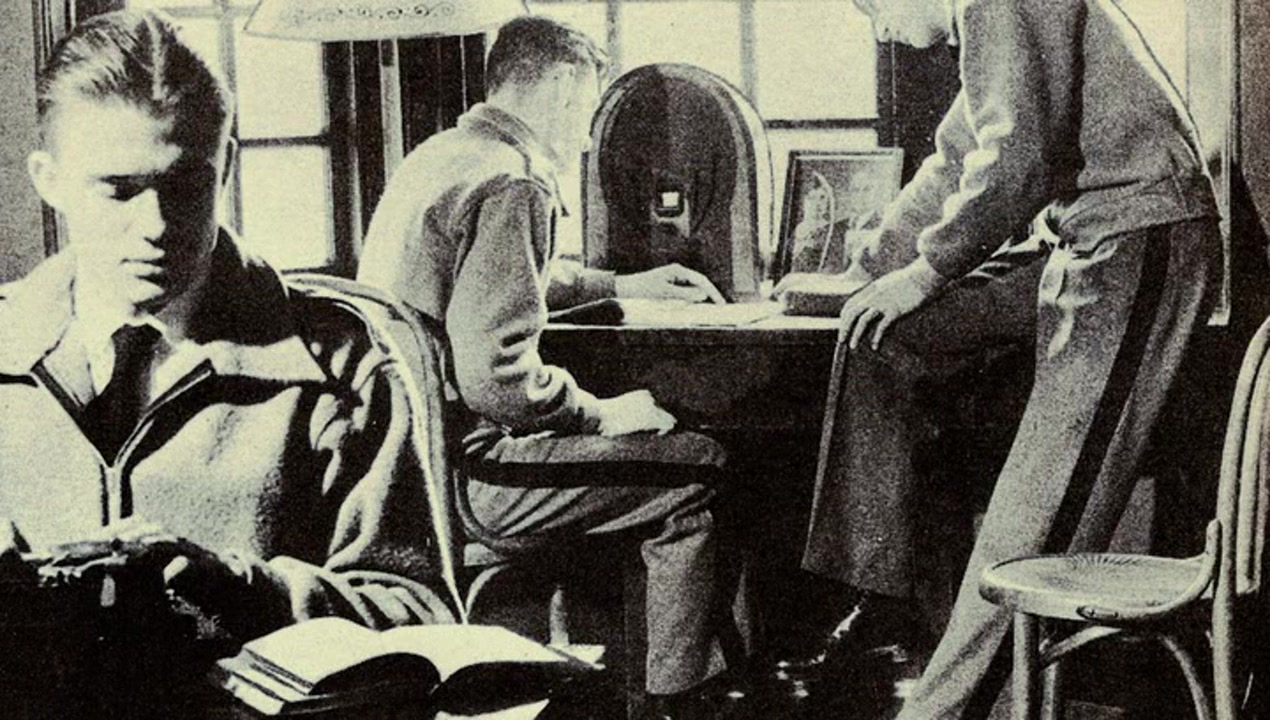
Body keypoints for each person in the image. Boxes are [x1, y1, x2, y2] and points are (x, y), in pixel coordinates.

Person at [0, 9, 451, 709]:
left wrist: (239, 587)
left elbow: (420, 621)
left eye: (186, 186)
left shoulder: (338, 367)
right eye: (118, 190)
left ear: (227, 168)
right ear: (48, 180)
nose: (154, 227)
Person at [822, 0, 1221, 716]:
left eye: (872, 7)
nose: (880, 30)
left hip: (1137, 238)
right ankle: (881, 595)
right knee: (883, 335)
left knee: (1031, 528)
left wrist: (924, 272)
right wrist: (872, 269)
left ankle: (945, 710)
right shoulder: (985, 18)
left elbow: (1017, 161)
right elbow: (956, 162)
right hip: (1079, 244)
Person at [356, 15, 740, 719]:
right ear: (563, 85)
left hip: (403, 470)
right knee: (700, 467)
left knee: (668, 461)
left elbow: (504, 274)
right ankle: (679, 703)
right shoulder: (515, 181)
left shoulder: (443, 157)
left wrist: (620, 285)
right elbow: (496, 379)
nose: (589, 137)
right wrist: (602, 413)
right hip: (474, 479)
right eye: (588, 109)